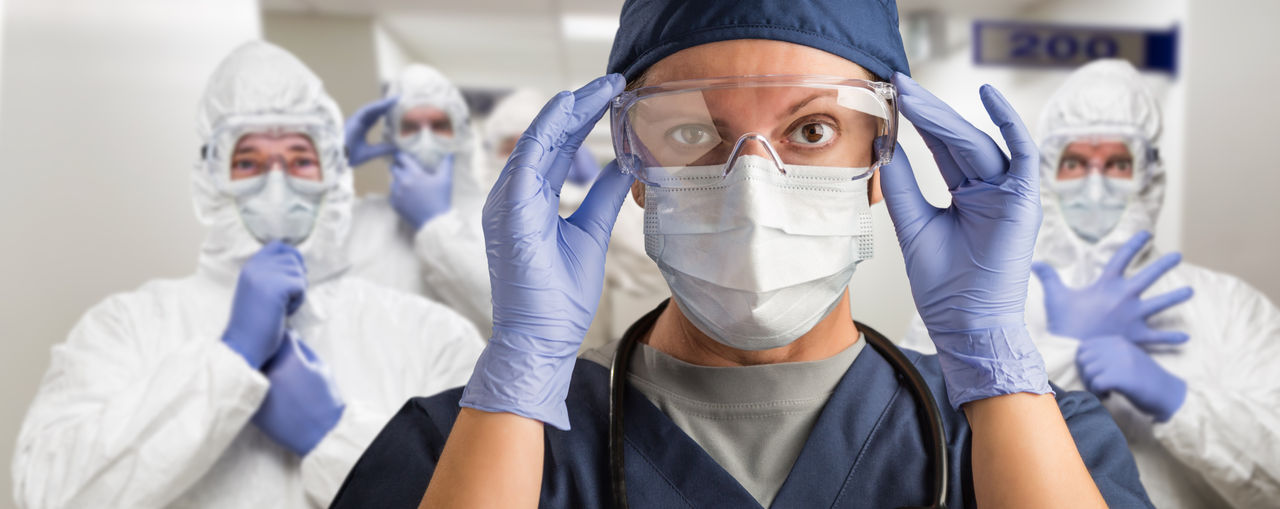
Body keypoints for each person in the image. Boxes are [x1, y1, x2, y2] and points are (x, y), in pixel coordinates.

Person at [331, 1, 1153, 507]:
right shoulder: (455, 445)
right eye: (694, 131)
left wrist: (992, 358)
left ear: (882, 158)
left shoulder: (1037, 438)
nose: (752, 184)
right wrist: (520, 369)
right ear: (636, 168)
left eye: (812, 128)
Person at [10, 41, 484, 509]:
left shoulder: (429, 336)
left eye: (301, 160)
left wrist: (335, 436)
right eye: (248, 162)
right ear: (210, 176)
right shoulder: (128, 328)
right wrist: (227, 364)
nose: (276, 183)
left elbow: (488, 496)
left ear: (334, 173)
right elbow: (46, 494)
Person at [900, 59, 1280, 507]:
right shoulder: (980, 291)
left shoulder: (1228, 306)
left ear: (1150, 175)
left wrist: (1175, 398)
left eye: (1117, 163)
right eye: (1075, 163)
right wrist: (1066, 351)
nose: (1094, 187)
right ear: (1049, 172)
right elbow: (916, 448)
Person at [483, 89, 670, 351]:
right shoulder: (470, 226)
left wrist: (592, 193)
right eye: (512, 149)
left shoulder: (575, 214)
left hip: (580, 365)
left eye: (538, 149)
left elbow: (650, 269)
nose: (525, 163)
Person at [343, 63, 493, 336]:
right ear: (391, 137)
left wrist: (437, 227)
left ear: (460, 133)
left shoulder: (503, 222)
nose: (426, 139)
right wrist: (331, 162)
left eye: (439, 125)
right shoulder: (361, 221)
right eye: (410, 127)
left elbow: (523, 321)